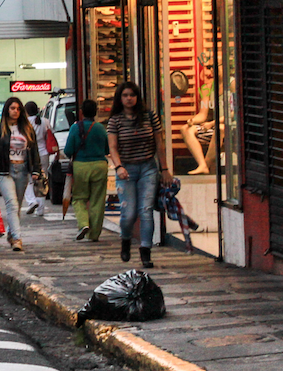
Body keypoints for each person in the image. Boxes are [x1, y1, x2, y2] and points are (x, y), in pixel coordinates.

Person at [107, 80, 172, 268]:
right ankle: (126, 238)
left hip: (148, 168)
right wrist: (119, 167)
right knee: (128, 213)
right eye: (125, 95)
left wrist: (165, 169)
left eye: (132, 95)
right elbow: (113, 147)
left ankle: (146, 250)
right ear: (120, 98)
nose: (129, 99)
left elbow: (159, 143)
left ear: (137, 97)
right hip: (126, 169)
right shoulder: (115, 120)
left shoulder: (149, 116)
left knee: (146, 211)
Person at [0, 97, 41, 252]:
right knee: (11, 203)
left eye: (18, 108)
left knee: (16, 206)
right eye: (12, 108)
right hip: (4, 171)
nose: (15, 111)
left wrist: (36, 169)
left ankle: (11, 233)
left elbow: (34, 150)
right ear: (7, 110)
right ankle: (17, 238)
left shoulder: (27, 129)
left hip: (22, 169)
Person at [65, 99, 110, 243]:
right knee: (97, 200)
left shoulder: (75, 128)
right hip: (100, 166)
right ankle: (94, 234)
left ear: (81, 112)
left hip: (81, 166)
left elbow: (67, 150)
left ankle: (84, 223)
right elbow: (107, 149)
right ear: (96, 112)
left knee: (79, 198)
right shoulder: (101, 128)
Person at [181, 63, 218, 174]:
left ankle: (206, 164)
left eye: (211, 68)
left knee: (219, 129)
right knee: (185, 129)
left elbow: (233, 114)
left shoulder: (231, 85)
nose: (208, 73)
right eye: (208, 68)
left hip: (225, 126)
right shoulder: (206, 89)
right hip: (211, 125)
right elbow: (203, 114)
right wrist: (193, 121)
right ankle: (202, 165)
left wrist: (212, 123)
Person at [23, 101, 52, 216]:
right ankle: (40, 210)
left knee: (28, 180)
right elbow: (50, 135)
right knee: (41, 181)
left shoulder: (25, 123)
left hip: (29, 154)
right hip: (44, 153)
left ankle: (32, 201)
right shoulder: (45, 121)